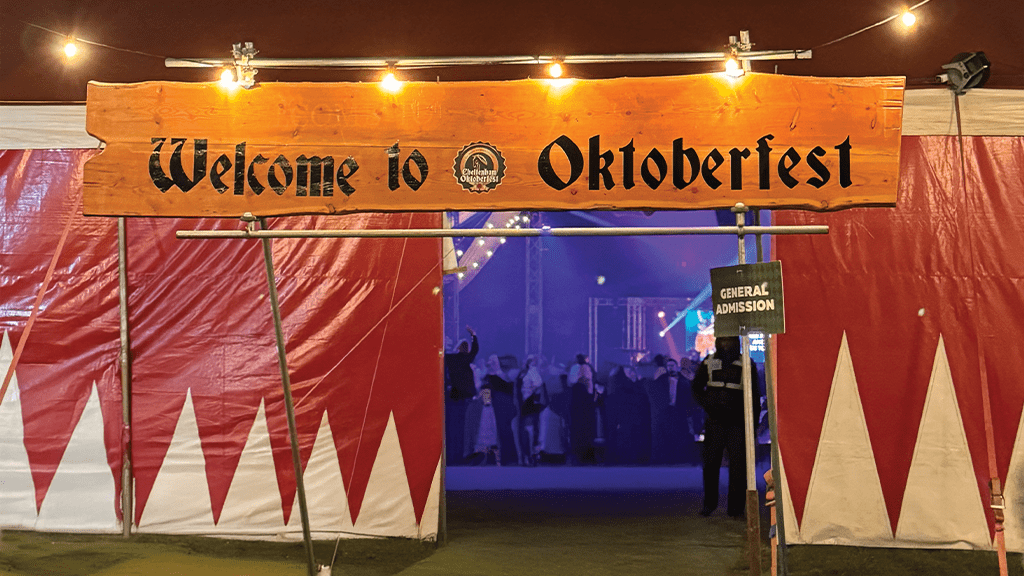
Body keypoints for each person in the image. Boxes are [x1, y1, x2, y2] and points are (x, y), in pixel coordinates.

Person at [691, 336, 760, 518]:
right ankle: (709, 505)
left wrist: (753, 424)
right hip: (715, 421)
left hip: (737, 422)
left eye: (730, 341)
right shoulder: (709, 361)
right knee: (711, 464)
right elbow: (696, 387)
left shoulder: (747, 363)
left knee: (738, 467)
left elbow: (754, 395)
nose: (726, 345)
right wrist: (708, 403)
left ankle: (736, 508)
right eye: (724, 341)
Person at [444, 326, 477, 465]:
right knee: (461, 428)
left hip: (452, 396)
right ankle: (458, 457)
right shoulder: (465, 359)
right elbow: (475, 351)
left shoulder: (450, 359)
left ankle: (450, 457)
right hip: (463, 397)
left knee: (451, 427)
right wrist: (474, 335)